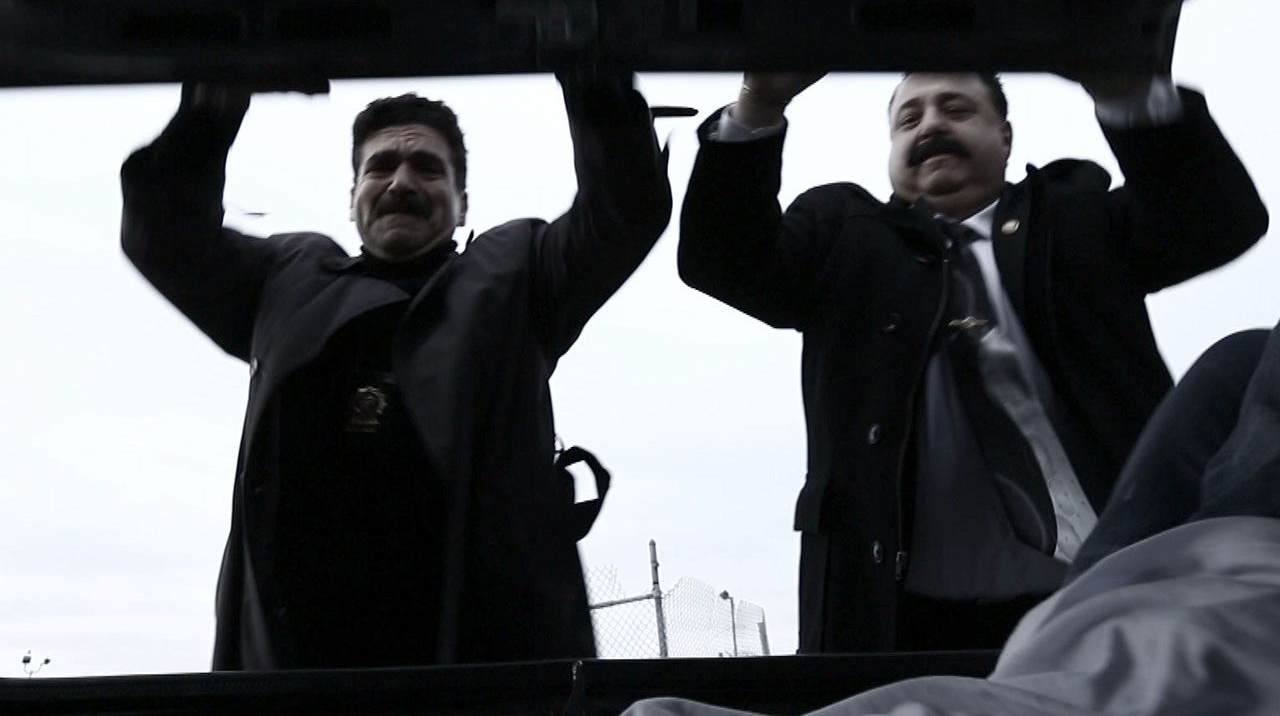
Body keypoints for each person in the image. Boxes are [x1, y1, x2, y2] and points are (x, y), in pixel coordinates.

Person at [678, 70, 1267, 652]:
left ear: (1005, 136)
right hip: (896, 625)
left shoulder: (1077, 214)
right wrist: (759, 103)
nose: (930, 125)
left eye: (956, 109)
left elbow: (1217, 223)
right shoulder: (841, 237)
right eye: (909, 119)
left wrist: (1130, 88)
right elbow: (724, 259)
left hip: (1112, 600)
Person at [119, 70, 672, 670]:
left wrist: (594, 82)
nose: (401, 182)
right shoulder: (286, 280)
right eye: (380, 167)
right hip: (295, 676)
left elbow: (622, 212)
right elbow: (165, 239)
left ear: (463, 204)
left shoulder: (521, 274)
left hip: (488, 676)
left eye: (428, 169)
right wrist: (208, 115)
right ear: (352, 196)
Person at [625, 324, 1280, 716]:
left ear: (1005, 142)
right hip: (1221, 608)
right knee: (1244, 360)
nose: (924, 138)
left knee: (1240, 360)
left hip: (1077, 617)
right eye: (904, 130)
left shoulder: (1057, 216)